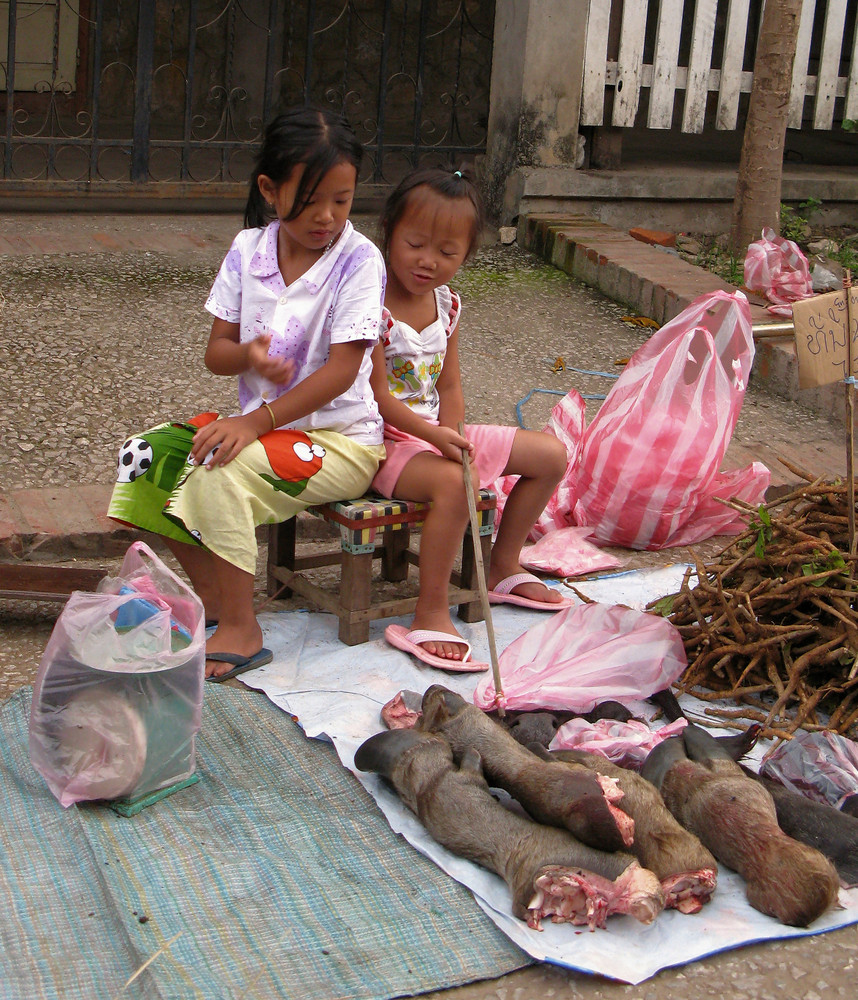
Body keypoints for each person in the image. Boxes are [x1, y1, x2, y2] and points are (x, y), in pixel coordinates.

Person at [109, 107, 387, 681]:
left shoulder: (361, 261)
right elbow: (217, 352)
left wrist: (256, 422)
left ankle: (243, 628)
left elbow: (341, 372)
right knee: (144, 457)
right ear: (269, 189)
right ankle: (219, 603)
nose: (327, 216)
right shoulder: (247, 251)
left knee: (218, 471)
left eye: (342, 199)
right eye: (311, 200)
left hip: (338, 443)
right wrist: (250, 355)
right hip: (266, 430)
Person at [369, 166, 571, 672]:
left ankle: (503, 565)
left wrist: (453, 435)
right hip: (385, 441)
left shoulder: (448, 305)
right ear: (390, 232)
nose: (427, 261)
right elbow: (376, 398)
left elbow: (450, 386)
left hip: (436, 435)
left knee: (551, 455)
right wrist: (434, 438)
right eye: (415, 243)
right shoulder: (368, 303)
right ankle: (431, 609)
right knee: (456, 486)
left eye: (447, 252)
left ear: (467, 256)